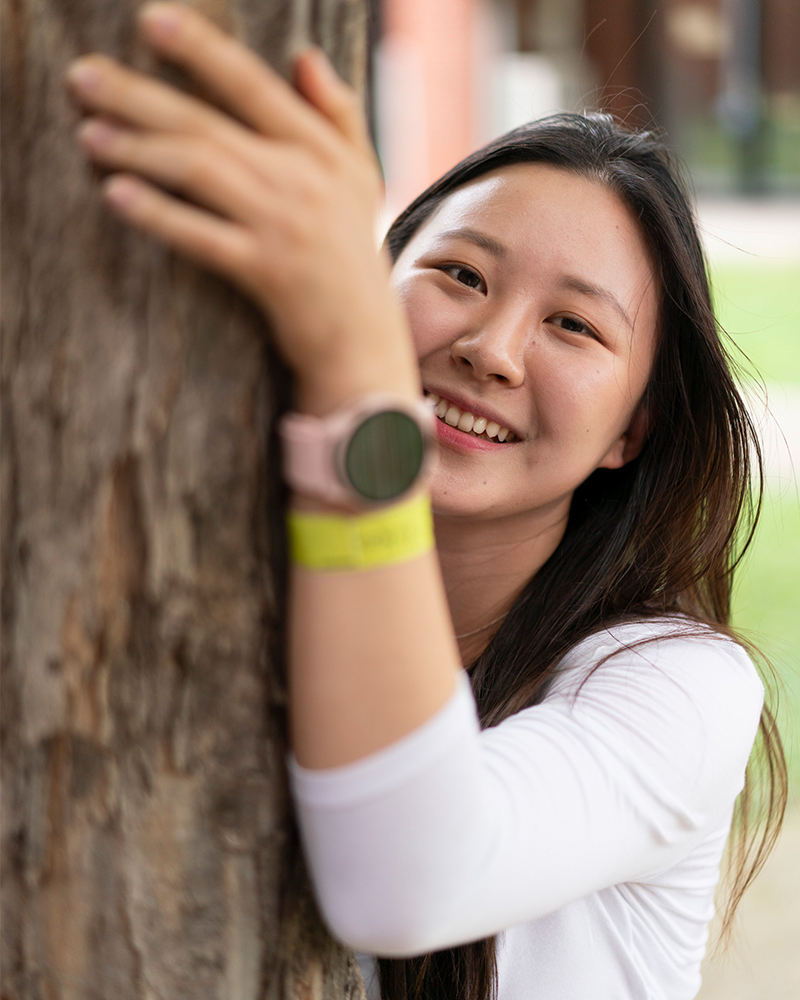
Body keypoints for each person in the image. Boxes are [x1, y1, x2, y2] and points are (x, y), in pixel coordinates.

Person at [66, 5, 786, 998]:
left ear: (632, 430)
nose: (488, 349)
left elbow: (406, 881)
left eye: (572, 326)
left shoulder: (677, 687)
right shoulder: (207, 575)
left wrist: (358, 386)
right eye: (455, 272)